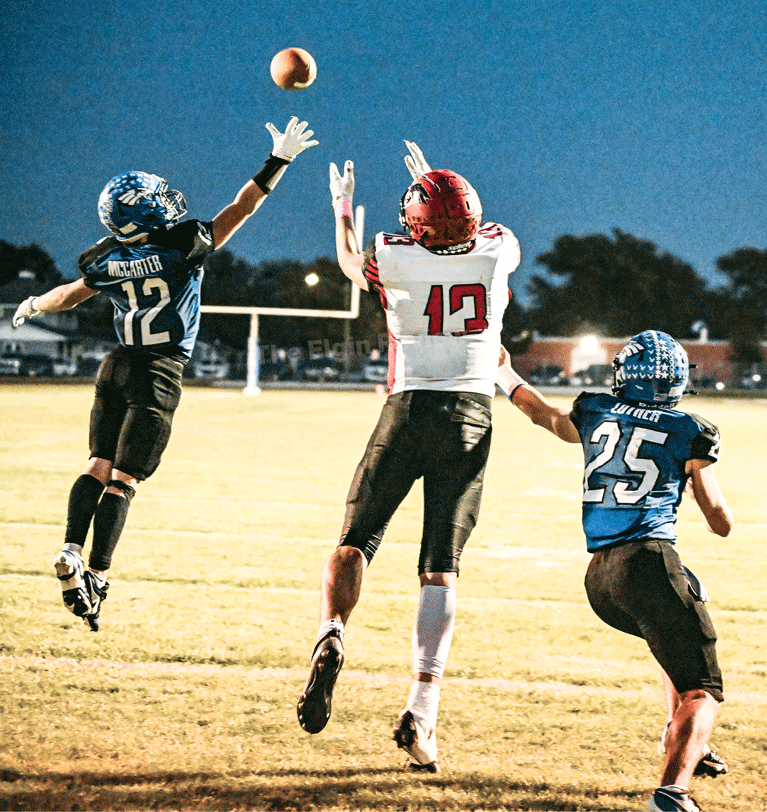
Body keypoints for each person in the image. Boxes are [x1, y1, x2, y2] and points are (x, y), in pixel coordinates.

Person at [12, 116, 318, 631]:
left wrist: (33, 305)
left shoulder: (105, 259)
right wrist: (278, 160)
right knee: (125, 480)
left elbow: (68, 294)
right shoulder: (182, 246)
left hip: (116, 365)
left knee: (96, 465)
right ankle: (98, 574)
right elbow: (241, 207)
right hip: (159, 369)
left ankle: (70, 546)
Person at [296, 142, 521, 772]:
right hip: (470, 417)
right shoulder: (499, 248)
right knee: (440, 567)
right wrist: (434, 184)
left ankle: (332, 632)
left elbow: (348, 261)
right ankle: (421, 713)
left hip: (406, 408)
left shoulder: (392, 256)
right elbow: (462, 234)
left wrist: (343, 209)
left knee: (354, 541)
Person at [496, 330, 733, 812]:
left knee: (685, 608)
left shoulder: (597, 409)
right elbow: (720, 522)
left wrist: (502, 372)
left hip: (600, 578)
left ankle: (690, 743)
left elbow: (544, 415)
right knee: (703, 689)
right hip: (646, 564)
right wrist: (689, 484)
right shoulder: (691, 429)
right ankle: (672, 791)